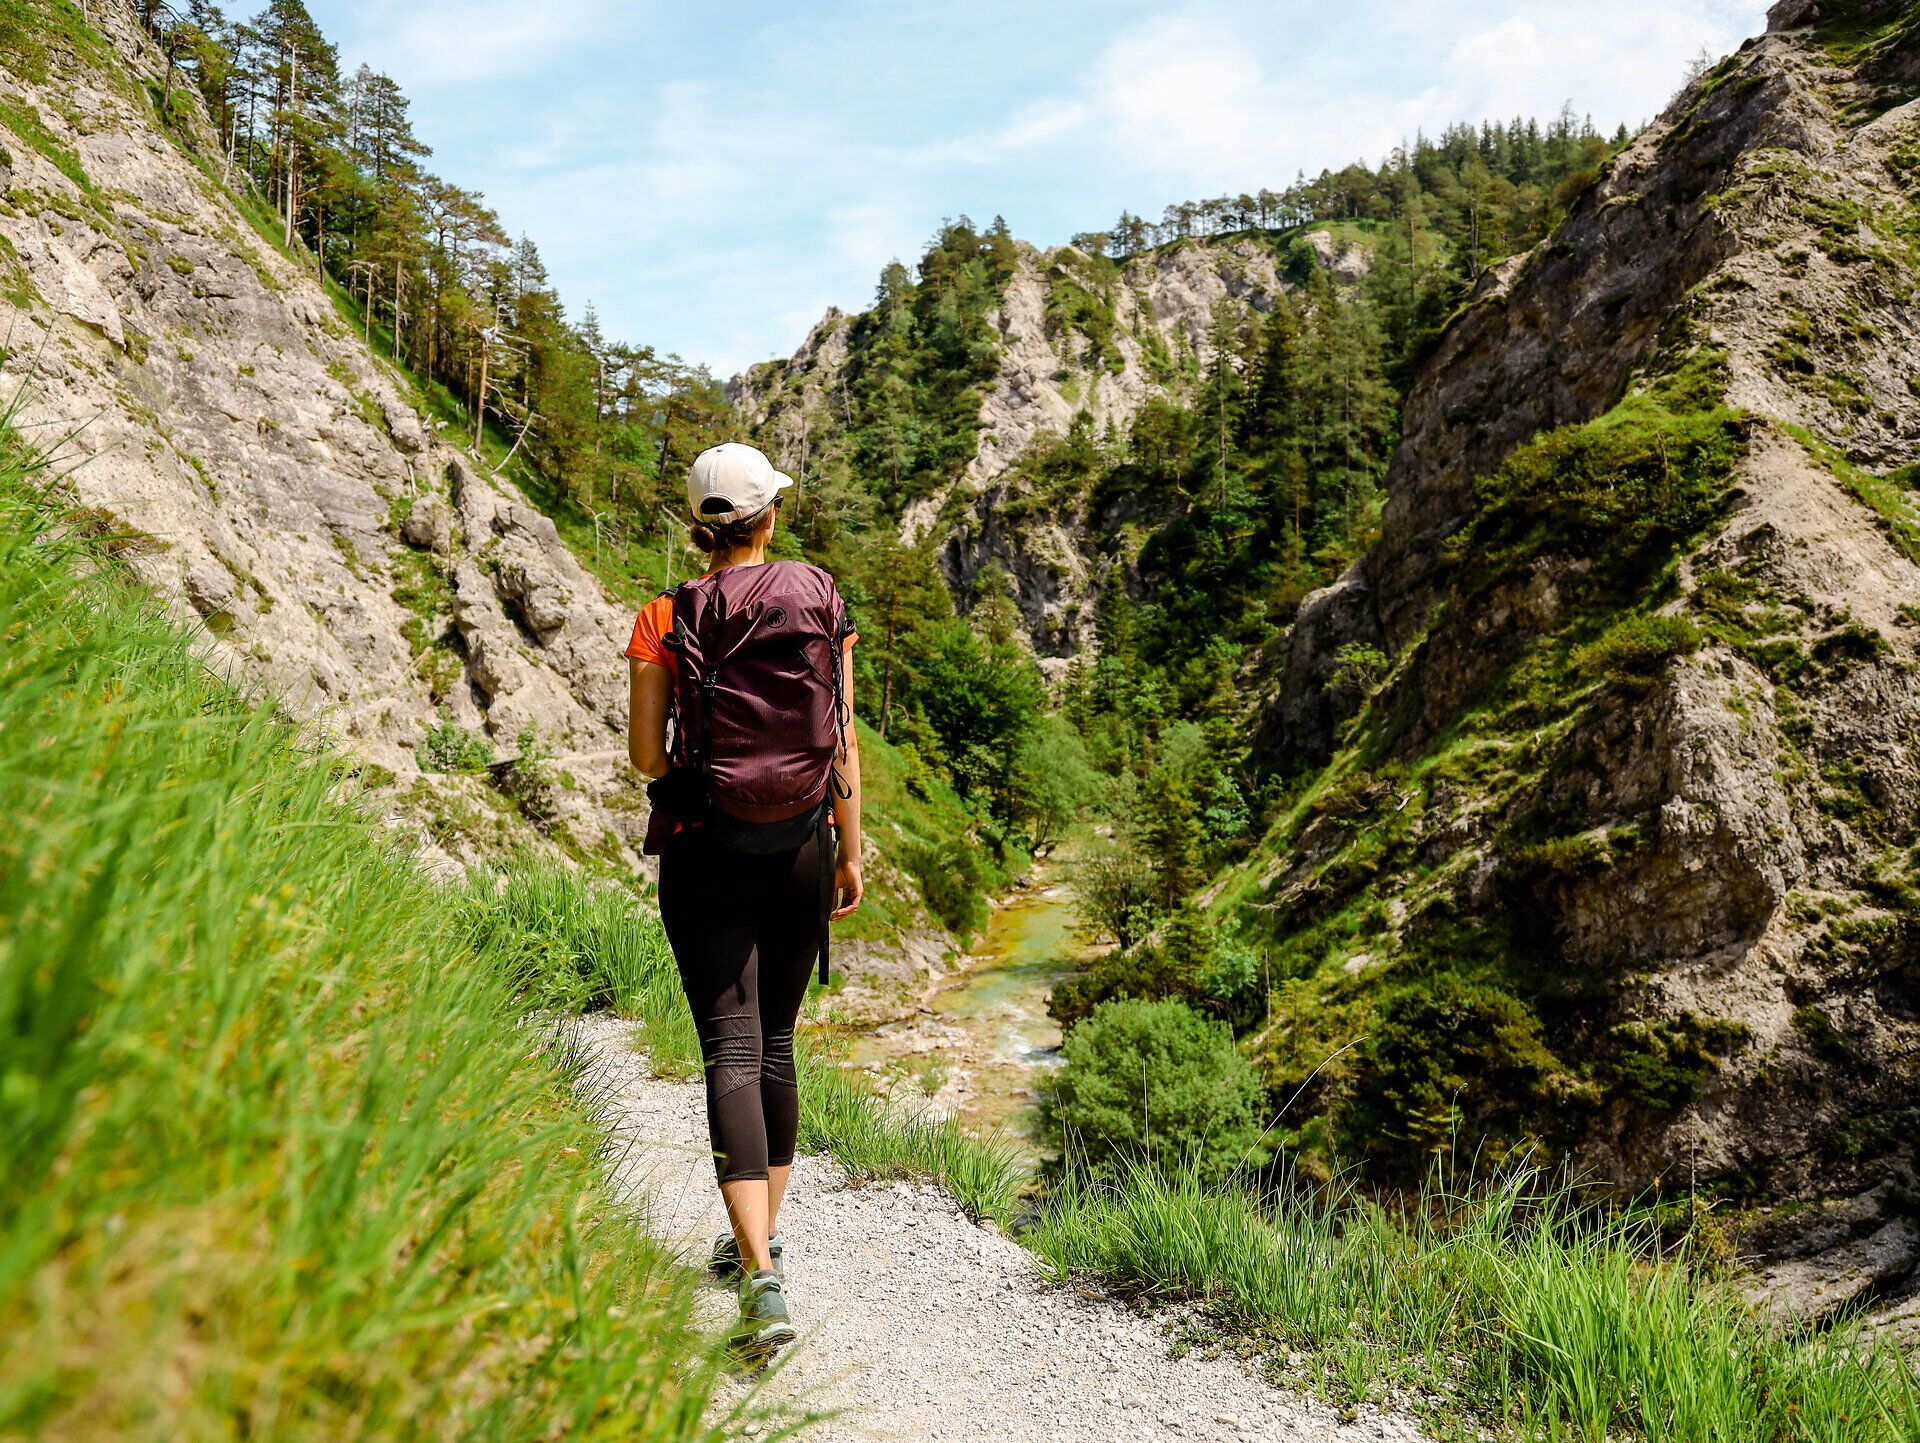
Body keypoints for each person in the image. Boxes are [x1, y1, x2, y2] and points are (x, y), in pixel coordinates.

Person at [625, 441, 863, 1356]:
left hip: (704, 848)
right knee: (775, 1040)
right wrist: (851, 851)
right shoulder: (821, 598)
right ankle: (762, 1235)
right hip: (803, 843)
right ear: (771, 519)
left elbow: (648, 759)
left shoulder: (663, 615)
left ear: (700, 522)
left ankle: (759, 1270)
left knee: (729, 1040)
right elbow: (842, 742)